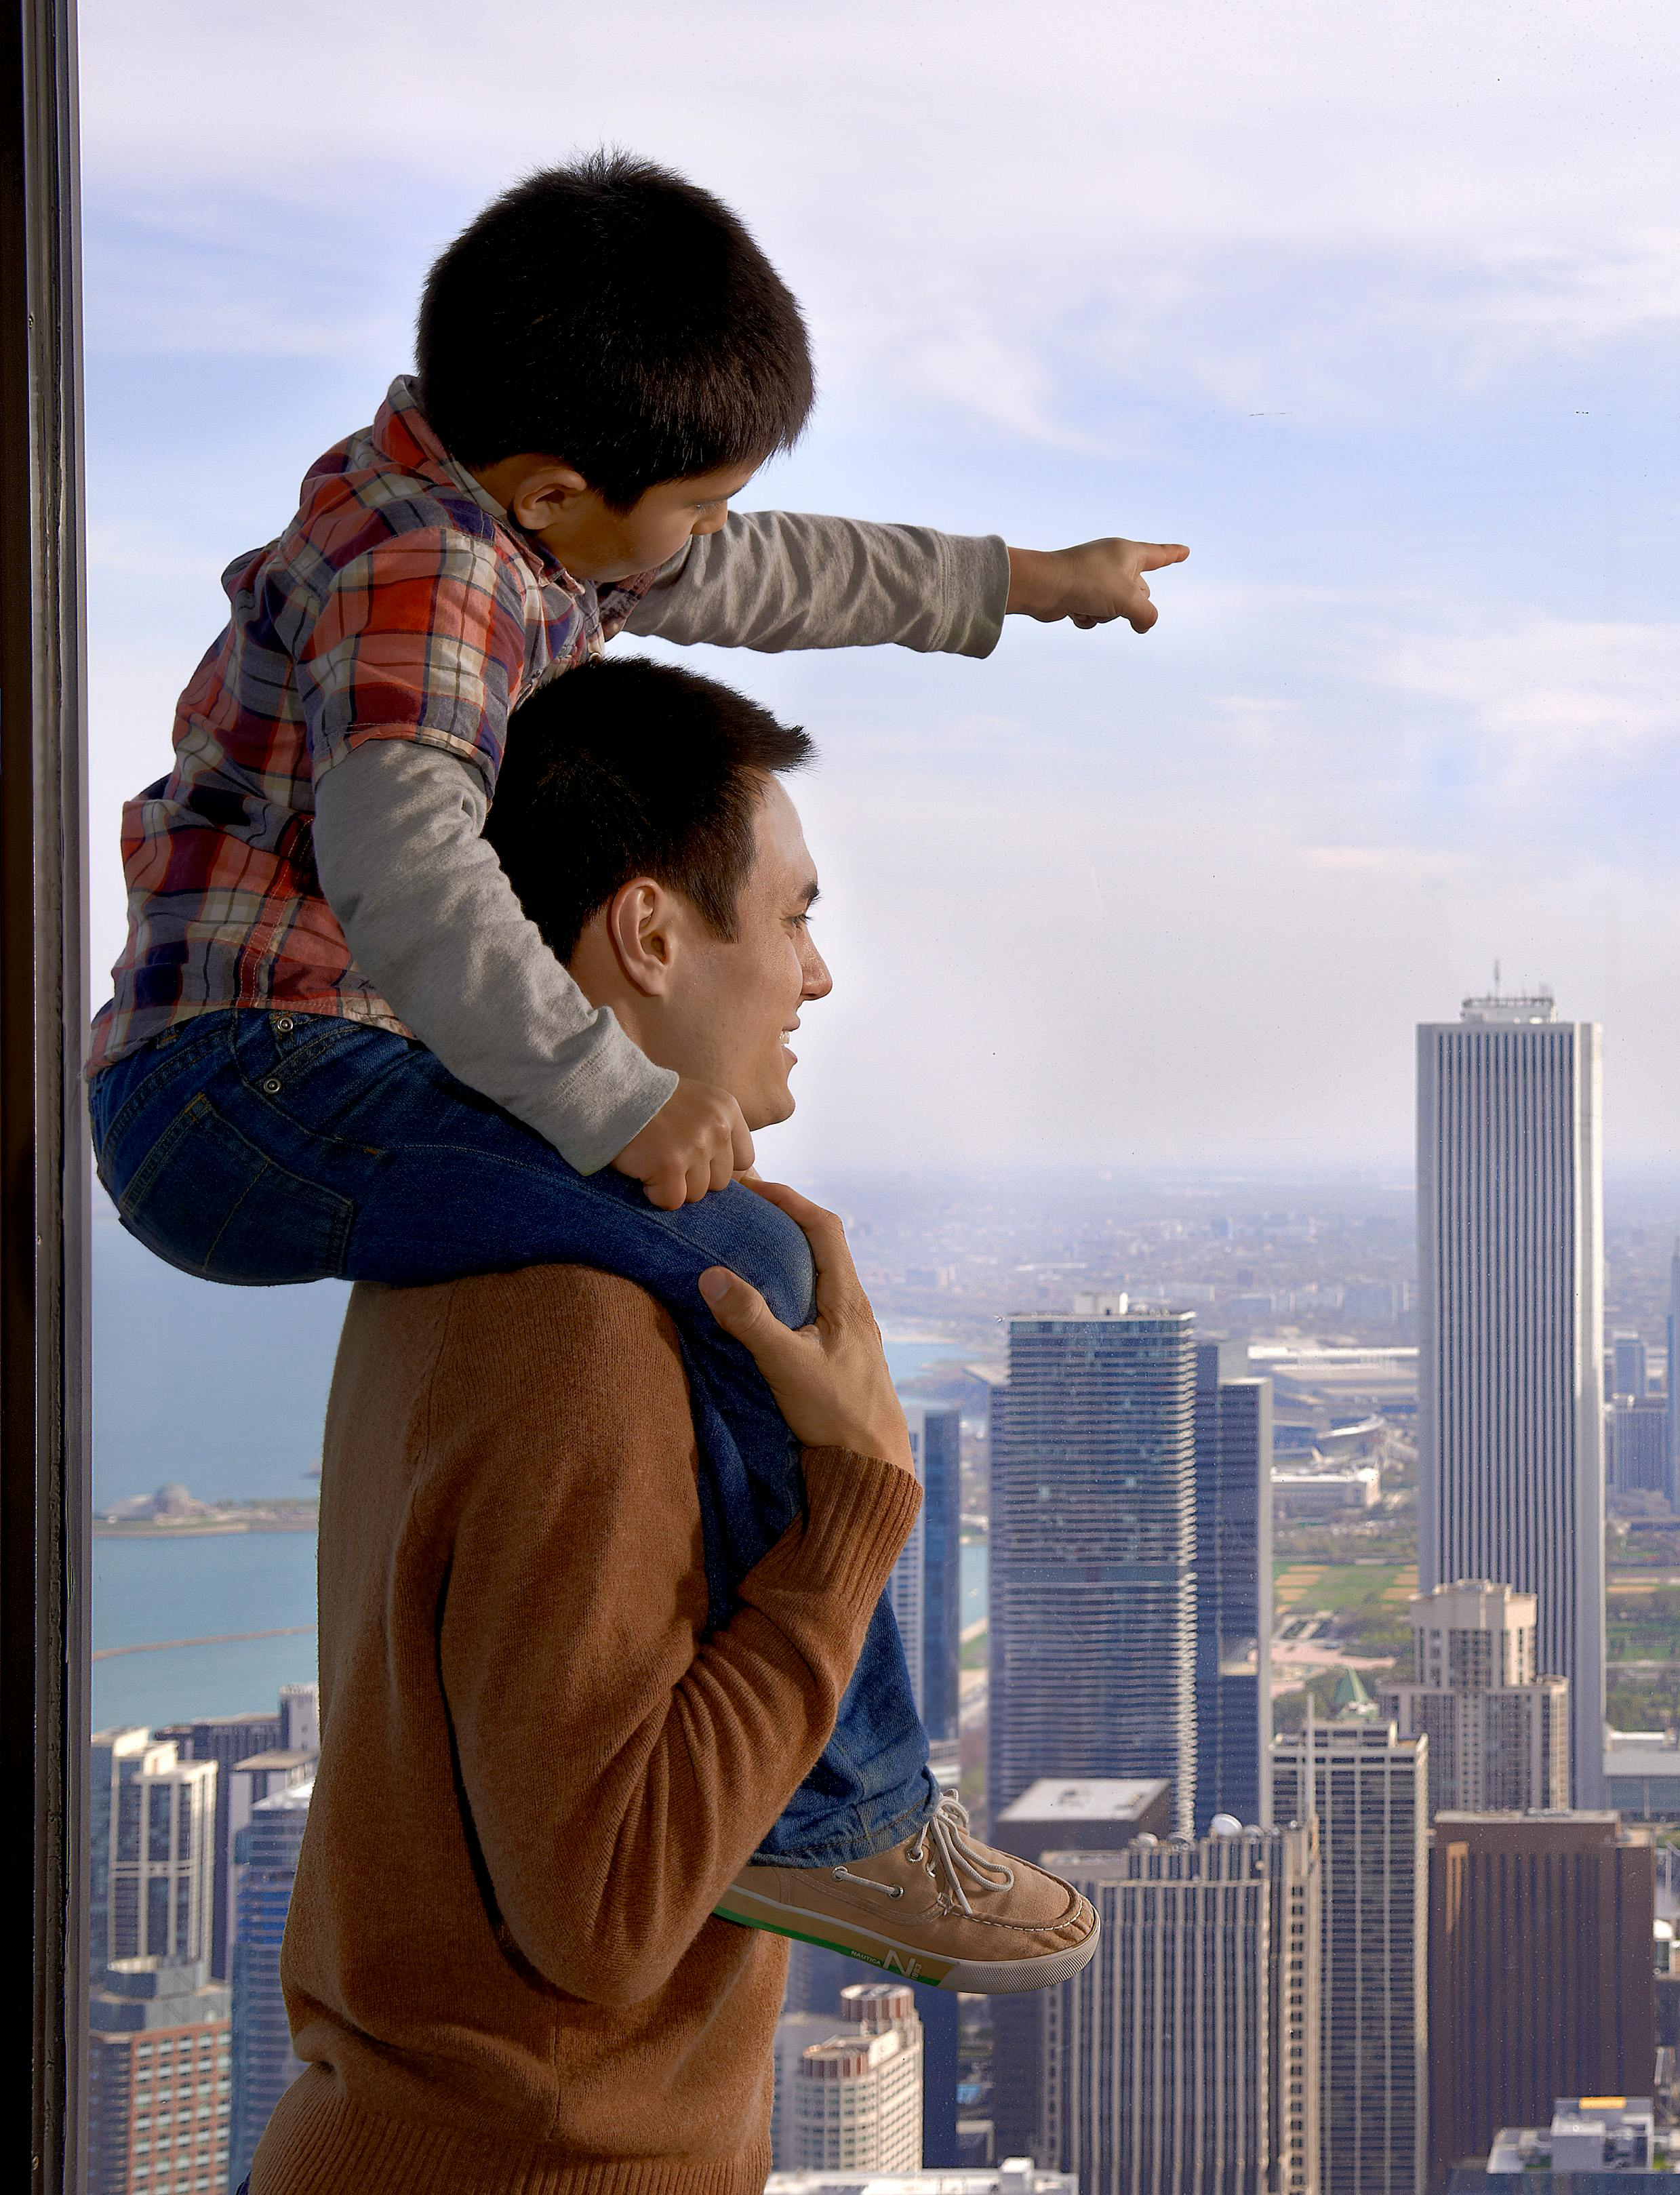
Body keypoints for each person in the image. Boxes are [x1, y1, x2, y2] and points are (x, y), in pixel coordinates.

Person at [83, 151, 1173, 1960]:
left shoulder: (508, 519)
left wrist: (1017, 580)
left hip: (277, 1075)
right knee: (737, 1250)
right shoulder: (427, 574)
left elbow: (774, 572)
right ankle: (848, 1819)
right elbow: (407, 867)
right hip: (245, 1088)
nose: (699, 551)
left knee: (757, 1236)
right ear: (558, 488)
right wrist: (615, 1098)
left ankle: (828, 1799)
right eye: (688, 510)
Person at [243, 659, 1095, 2191]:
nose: (817, 976)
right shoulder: (582, 1322)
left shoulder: (463, 1250)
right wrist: (853, 1514)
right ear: (649, 934)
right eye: (792, 916)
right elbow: (608, 1909)